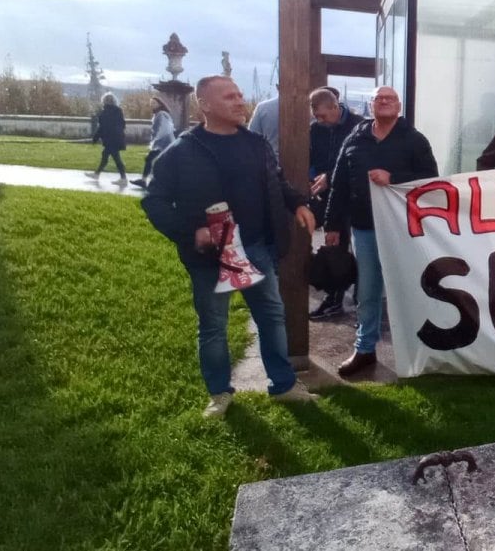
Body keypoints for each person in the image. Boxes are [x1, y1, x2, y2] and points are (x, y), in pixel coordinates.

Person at [141, 75, 318, 417]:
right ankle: (219, 394)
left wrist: (298, 203)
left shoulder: (255, 144)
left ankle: (283, 386)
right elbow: (155, 201)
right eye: (229, 96)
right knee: (213, 326)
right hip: (210, 257)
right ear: (204, 105)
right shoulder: (181, 151)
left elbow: (277, 181)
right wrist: (190, 232)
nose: (240, 101)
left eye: (240, 95)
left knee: (271, 317)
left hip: (257, 249)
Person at [323, 86, 438, 378]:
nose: (384, 102)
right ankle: (364, 349)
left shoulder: (414, 140)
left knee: (410, 287)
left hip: (405, 230)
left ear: (398, 106)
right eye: (379, 99)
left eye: (390, 98)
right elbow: (339, 184)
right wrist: (332, 225)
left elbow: (431, 182)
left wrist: (394, 178)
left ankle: (420, 348)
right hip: (365, 228)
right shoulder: (355, 139)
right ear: (371, 105)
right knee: (368, 290)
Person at [307, 87, 363, 320]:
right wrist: (311, 176)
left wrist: (329, 176)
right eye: (316, 117)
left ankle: (362, 300)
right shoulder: (315, 129)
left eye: (322, 115)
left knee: (361, 249)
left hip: (353, 198)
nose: (320, 121)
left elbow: (359, 164)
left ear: (334, 107)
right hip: (326, 197)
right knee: (335, 249)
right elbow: (309, 158)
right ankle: (334, 298)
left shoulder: (359, 126)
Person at [85, 93, 129, 186]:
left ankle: (123, 178)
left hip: (111, 140)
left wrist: (95, 138)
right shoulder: (118, 111)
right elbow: (122, 125)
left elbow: (102, 128)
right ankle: (97, 174)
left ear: (104, 101)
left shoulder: (104, 113)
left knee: (116, 158)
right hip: (116, 139)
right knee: (105, 156)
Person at [131, 97, 175, 188]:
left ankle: (147, 181)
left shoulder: (161, 114)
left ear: (159, 104)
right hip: (163, 142)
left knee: (152, 160)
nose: (152, 105)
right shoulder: (159, 114)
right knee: (156, 160)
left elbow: (164, 128)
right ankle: (146, 181)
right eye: (151, 103)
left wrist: (155, 139)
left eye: (154, 103)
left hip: (163, 142)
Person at [248, 87, 280, 157]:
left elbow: (251, 138)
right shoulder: (307, 108)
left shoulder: (263, 107)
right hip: (303, 162)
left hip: (270, 161)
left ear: (277, 87)